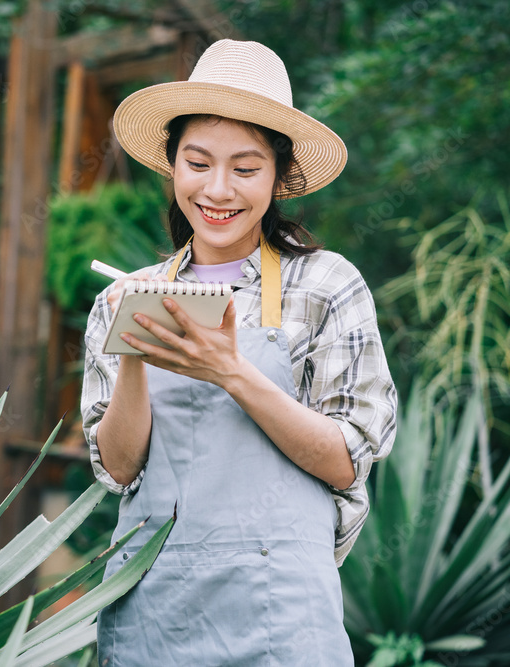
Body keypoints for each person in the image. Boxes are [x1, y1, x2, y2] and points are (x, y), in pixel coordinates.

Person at [82, 39, 398, 665]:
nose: (218, 189)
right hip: (152, 613)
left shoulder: (327, 286)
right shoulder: (123, 299)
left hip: (281, 618)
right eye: (197, 163)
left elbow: (346, 461)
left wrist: (229, 370)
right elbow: (118, 469)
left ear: (279, 178)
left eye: (246, 169)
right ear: (172, 164)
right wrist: (137, 350)